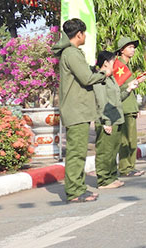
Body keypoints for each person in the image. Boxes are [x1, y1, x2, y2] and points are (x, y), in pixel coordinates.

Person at [52, 18, 106, 203]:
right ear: (79, 34)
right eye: (84, 33)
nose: (85, 37)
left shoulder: (71, 53)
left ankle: (79, 188)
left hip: (78, 109)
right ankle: (74, 191)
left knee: (79, 152)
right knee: (76, 153)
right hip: (76, 110)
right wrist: (104, 73)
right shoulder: (72, 53)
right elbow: (86, 78)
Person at [92, 50, 125, 189]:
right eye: (113, 61)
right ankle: (104, 180)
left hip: (116, 117)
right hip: (106, 119)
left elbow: (116, 98)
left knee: (113, 150)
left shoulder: (111, 78)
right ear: (105, 62)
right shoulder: (100, 77)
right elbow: (101, 100)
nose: (115, 64)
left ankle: (112, 176)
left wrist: (128, 89)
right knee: (105, 150)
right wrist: (106, 121)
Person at [114, 36, 145, 178]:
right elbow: (117, 88)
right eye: (130, 47)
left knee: (132, 139)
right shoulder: (118, 65)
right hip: (124, 106)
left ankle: (131, 166)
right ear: (122, 50)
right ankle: (125, 167)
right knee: (125, 140)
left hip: (130, 105)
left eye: (133, 47)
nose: (133, 50)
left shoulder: (127, 65)